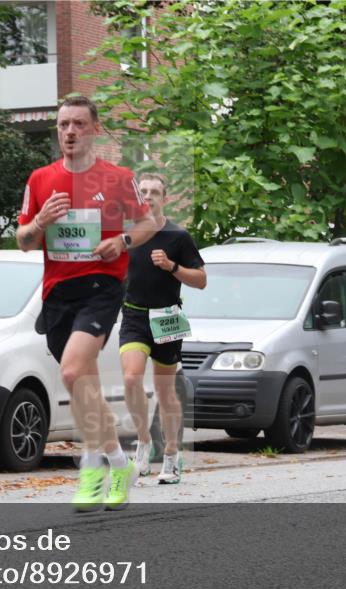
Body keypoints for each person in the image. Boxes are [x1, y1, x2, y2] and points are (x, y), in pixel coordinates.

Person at [16, 95, 158, 511]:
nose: (70, 132)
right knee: (83, 386)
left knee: (73, 369)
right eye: (63, 125)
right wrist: (41, 222)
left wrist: (123, 241)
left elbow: (150, 222)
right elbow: (23, 242)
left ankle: (94, 467)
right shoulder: (40, 179)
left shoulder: (117, 178)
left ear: (95, 129)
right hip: (57, 292)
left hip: (101, 285)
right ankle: (111, 462)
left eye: (79, 124)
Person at [120, 173, 206, 484]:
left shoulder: (177, 237)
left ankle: (171, 454)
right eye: (143, 191)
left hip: (167, 317)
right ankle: (144, 441)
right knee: (130, 378)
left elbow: (201, 280)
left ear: (164, 199)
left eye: (155, 192)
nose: (148, 196)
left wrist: (171, 266)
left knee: (165, 391)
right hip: (133, 316)